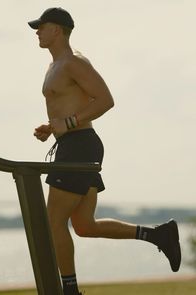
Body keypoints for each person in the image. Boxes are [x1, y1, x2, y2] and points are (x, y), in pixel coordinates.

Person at [28, 7, 181, 295]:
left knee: (52, 222)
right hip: (74, 144)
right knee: (85, 226)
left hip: (79, 146)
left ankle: (69, 291)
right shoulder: (55, 65)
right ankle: (158, 234)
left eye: (41, 26)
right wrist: (52, 127)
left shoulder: (73, 62)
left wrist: (69, 123)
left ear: (57, 30)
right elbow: (71, 109)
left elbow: (106, 100)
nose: (37, 31)